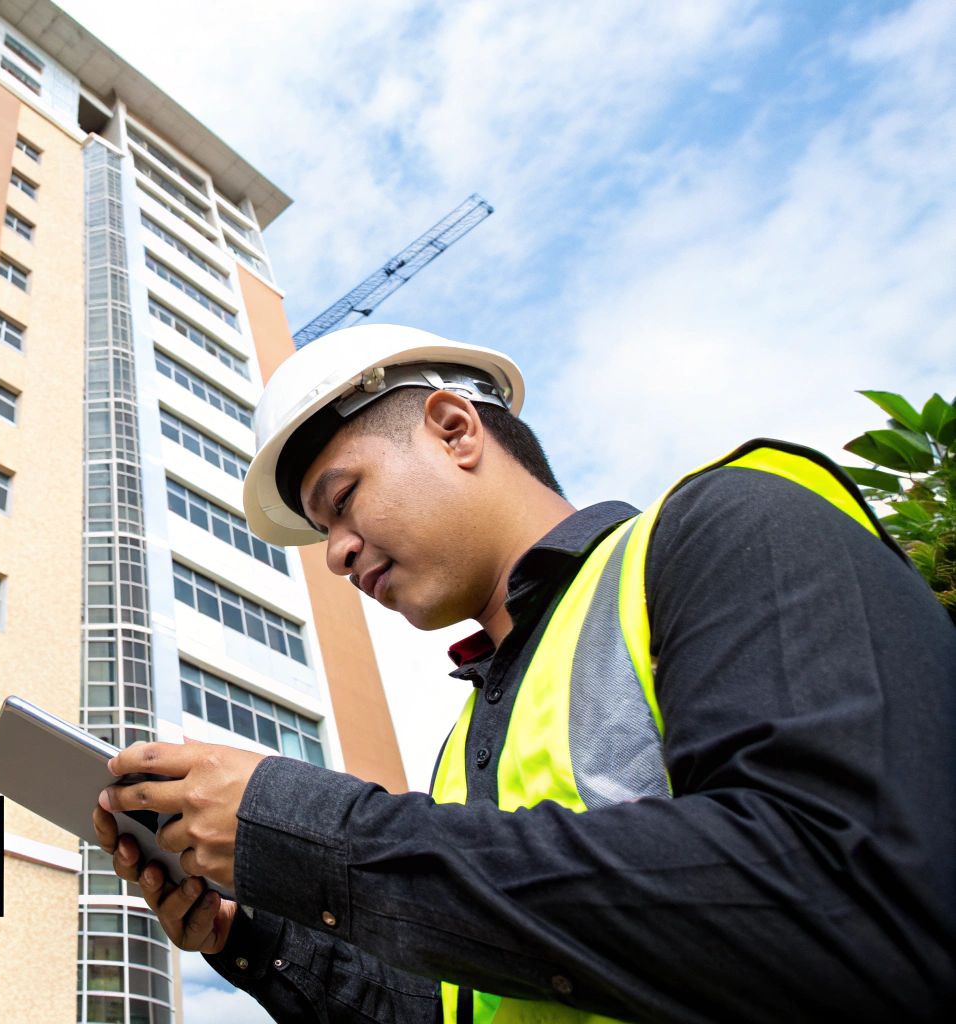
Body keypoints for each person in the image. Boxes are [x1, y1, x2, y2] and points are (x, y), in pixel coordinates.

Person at [90, 324, 956, 1022]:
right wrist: (252, 933)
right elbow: (475, 1002)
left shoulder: (728, 528)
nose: (339, 555)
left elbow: (848, 904)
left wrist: (306, 831)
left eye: (343, 499)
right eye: (324, 536)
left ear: (454, 429)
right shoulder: (469, 738)